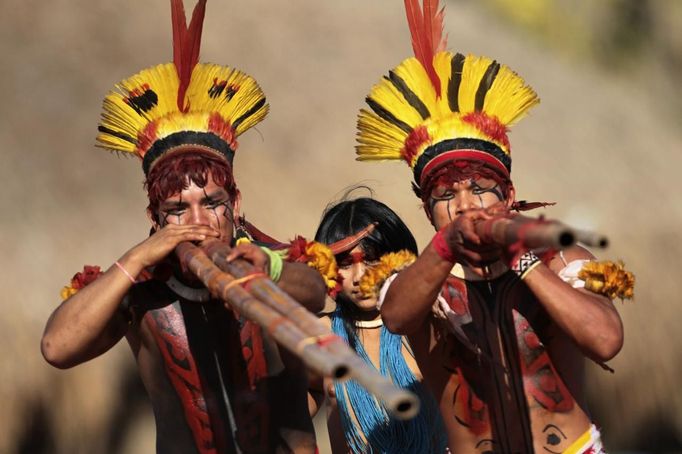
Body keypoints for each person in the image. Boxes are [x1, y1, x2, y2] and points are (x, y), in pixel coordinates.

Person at [41, 1, 326, 453]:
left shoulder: (274, 265)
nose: (197, 222)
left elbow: (314, 291)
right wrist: (138, 257)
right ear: (155, 219)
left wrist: (261, 272)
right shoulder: (140, 291)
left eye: (211, 203)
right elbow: (57, 348)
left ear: (236, 204)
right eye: (178, 209)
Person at [354, 1, 633, 452]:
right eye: (444, 196)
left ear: (507, 194)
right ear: (428, 212)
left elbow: (606, 341)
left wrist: (520, 260)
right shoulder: (418, 281)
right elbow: (397, 317)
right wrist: (446, 250)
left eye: (479, 189)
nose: (464, 205)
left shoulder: (561, 260)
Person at [310, 195, 447, 454]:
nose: (360, 277)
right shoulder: (319, 336)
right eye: (345, 264)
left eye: (372, 259)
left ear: (398, 257)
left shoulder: (429, 324)